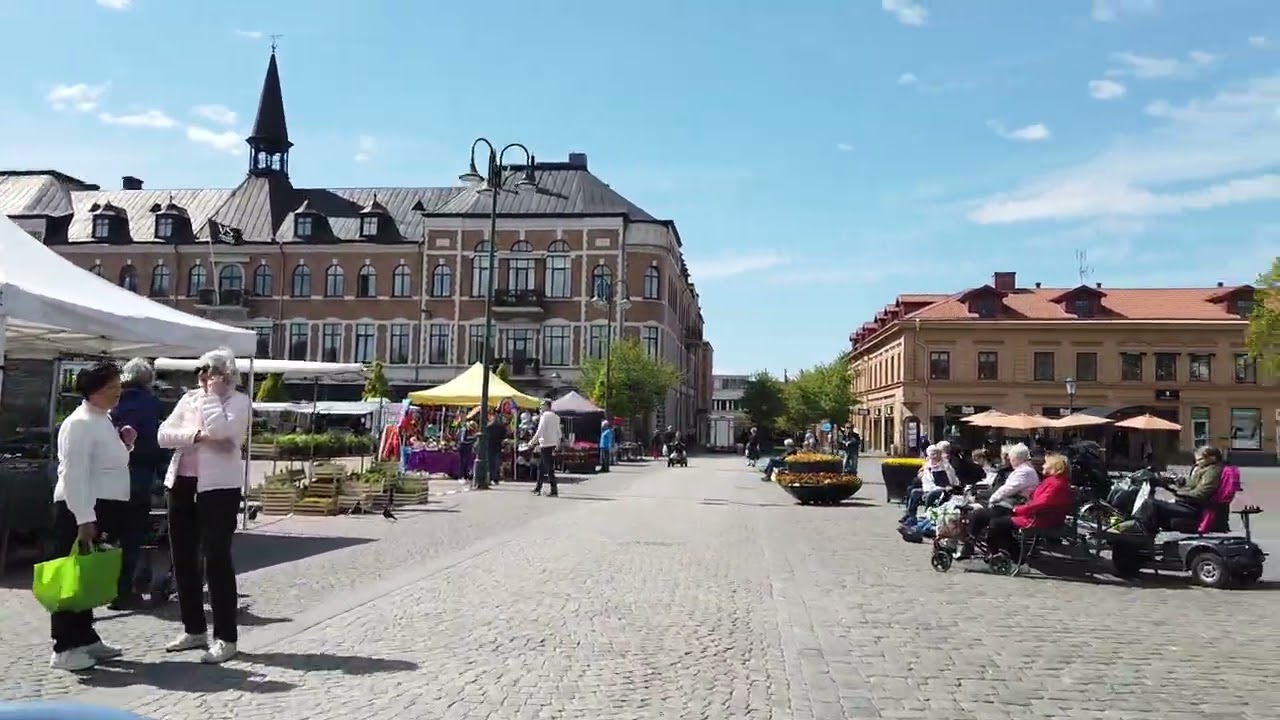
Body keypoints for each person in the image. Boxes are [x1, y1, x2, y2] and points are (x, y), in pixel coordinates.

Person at [157, 348, 252, 664]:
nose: (202, 378)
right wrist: (197, 436)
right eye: (200, 372)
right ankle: (193, 628)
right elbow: (164, 435)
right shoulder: (188, 400)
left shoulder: (239, 402)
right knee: (183, 558)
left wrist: (211, 398)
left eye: (209, 372)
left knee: (217, 560)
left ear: (225, 374)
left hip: (219, 488)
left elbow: (223, 432)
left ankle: (226, 637)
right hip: (181, 483)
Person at [48, 361, 132, 672]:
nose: (117, 393)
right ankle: (65, 646)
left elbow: (106, 463)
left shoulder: (103, 419)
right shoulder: (80, 423)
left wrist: (127, 444)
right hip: (82, 508)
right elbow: (73, 474)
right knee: (71, 577)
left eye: (118, 387)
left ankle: (85, 636)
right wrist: (84, 517)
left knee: (90, 575)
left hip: (104, 507)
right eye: (110, 388)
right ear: (93, 391)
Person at [109, 358, 166, 610]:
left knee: (108, 533)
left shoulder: (113, 399)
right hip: (138, 476)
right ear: (147, 380)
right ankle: (123, 591)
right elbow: (155, 443)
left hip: (107, 476)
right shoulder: (150, 404)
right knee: (132, 536)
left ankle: (99, 585)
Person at [986, 453, 1074, 559]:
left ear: (1054, 466)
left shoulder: (1056, 484)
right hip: (1041, 516)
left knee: (997, 523)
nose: (1043, 466)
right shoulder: (1055, 482)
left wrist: (1017, 509)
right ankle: (1007, 552)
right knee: (1000, 517)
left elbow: (1041, 504)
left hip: (1040, 519)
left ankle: (1011, 554)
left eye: (1046, 464)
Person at [959, 443, 1039, 558]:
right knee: (982, 515)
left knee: (978, 515)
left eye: (1011, 459)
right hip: (1014, 504)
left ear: (1017, 458)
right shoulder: (1027, 469)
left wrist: (993, 499)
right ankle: (973, 545)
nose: (1010, 461)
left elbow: (1008, 489)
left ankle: (971, 546)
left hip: (1015, 507)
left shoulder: (1024, 472)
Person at [1134, 445, 1224, 533]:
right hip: (1186, 503)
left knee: (1150, 504)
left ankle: (1141, 533)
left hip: (1193, 508)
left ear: (1212, 458)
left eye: (1200, 459)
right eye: (1196, 460)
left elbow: (1201, 494)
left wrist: (1176, 492)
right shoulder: (1202, 469)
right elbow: (1190, 484)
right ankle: (1146, 531)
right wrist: (1173, 481)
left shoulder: (1212, 472)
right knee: (1152, 504)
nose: (1197, 462)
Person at [900, 444, 958, 524]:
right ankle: (911, 516)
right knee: (915, 492)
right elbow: (923, 478)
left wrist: (949, 484)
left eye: (936, 454)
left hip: (943, 489)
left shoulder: (946, 465)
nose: (934, 456)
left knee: (931, 494)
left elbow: (953, 479)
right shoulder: (927, 465)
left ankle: (928, 516)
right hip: (928, 488)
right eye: (932, 454)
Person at [529, 399, 562, 497]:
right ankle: (538, 488)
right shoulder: (556, 417)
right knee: (542, 467)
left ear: (547, 406)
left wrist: (532, 442)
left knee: (548, 468)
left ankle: (553, 490)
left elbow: (540, 431)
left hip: (545, 444)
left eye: (542, 405)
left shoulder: (544, 417)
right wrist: (557, 443)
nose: (540, 407)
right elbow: (559, 432)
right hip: (552, 444)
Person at [483, 414, 507, 485]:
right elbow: (504, 435)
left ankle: (490, 478)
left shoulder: (488, 426)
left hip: (490, 446)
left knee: (490, 463)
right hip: (497, 446)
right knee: (496, 463)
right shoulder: (501, 427)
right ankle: (495, 478)